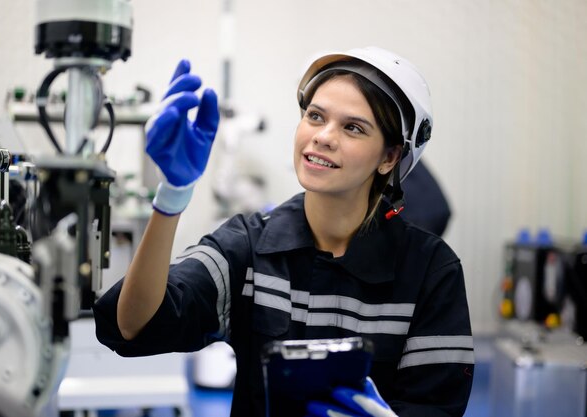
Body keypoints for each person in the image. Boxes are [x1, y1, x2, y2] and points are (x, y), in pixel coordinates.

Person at [93, 47, 474, 417]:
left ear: (389, 157)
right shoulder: (250, 245)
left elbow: (436, 404)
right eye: (315, 116)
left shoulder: (429, 270)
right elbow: (134, 323)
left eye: (353, 127)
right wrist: (172, 196)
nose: (323, 136)